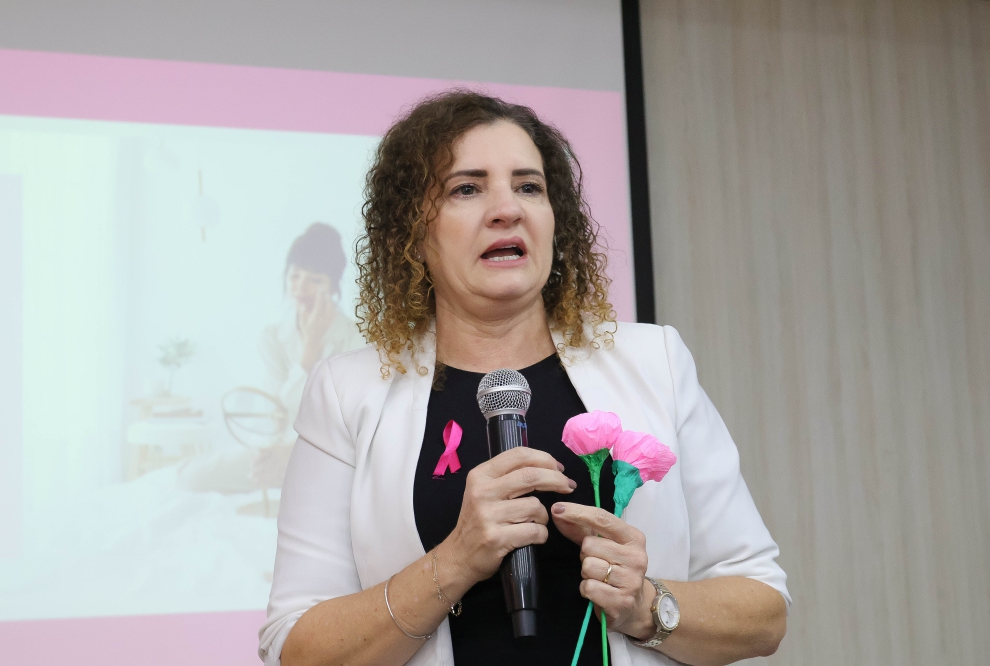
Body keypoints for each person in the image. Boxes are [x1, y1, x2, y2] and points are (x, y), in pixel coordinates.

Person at [259, 92, 789, 666]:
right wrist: (456, 560)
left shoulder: (654, 360)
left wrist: (645, 606)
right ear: (413, 231)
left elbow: (763, 612)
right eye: (467, 189)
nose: (506, 209)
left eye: (529, 187)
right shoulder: (347, 391)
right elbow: (296, 647)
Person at [177, 223, 363, 493]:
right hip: (278, 448)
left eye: (314, 279)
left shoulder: (356, 338)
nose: (301, 287)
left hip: (329, 457)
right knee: (193, 477)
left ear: (333, 286)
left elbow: (348, 423)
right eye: (295, 276)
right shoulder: (273, 337)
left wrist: (312, 343)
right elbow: (275, 410)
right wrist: (308, 352)